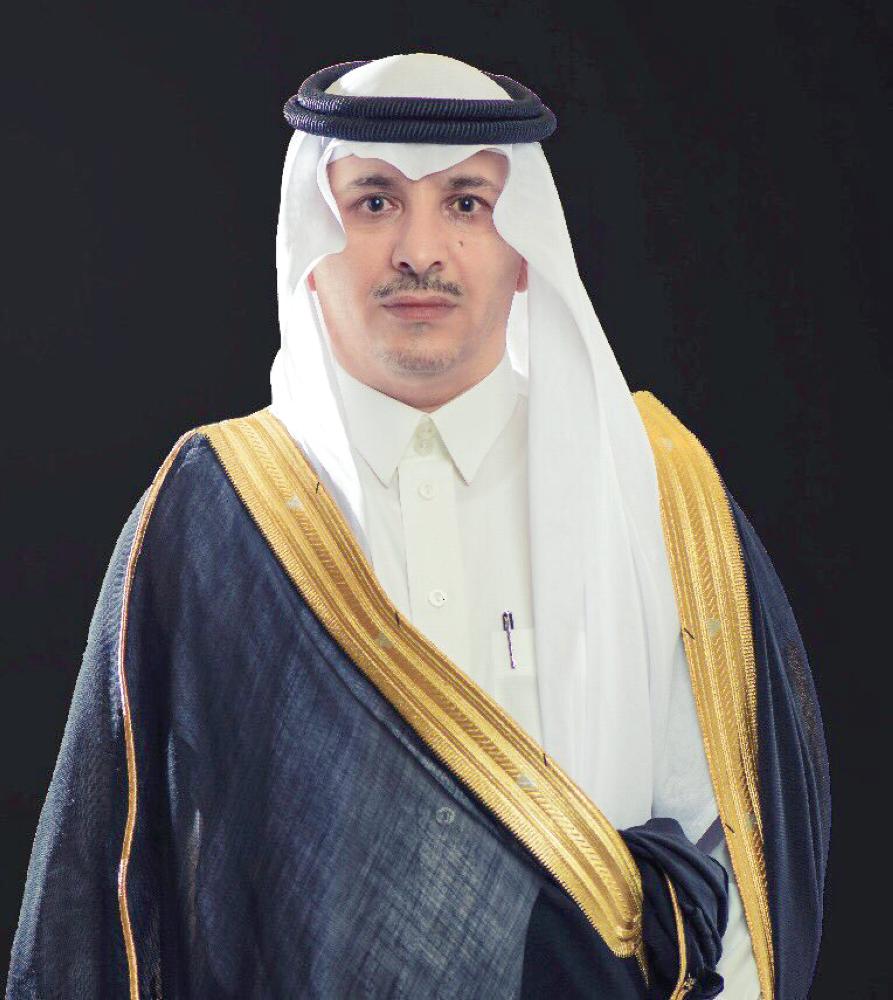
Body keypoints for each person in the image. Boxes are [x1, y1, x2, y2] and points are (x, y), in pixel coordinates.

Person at [6, 54, 829, 999]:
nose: (419, 250)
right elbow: (120, 879)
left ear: (524, 247)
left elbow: (732, 858)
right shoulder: (220, 508)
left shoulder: (654, 486)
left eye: (466, 203)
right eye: (374, 202)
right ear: (313, 240)